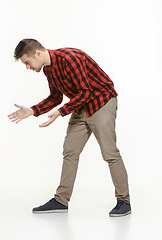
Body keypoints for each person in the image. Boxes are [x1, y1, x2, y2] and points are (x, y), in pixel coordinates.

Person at [8, 39, 131, 217]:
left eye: (27, 62)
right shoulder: (49, 69)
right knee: (70, 151)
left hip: (102, 102)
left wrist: (61, 112)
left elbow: (86, 91)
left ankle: (124, 201)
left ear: (38, 53)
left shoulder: (70, 58)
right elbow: (56, 97)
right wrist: (33, 110)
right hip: (81, 106)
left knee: (109, 153)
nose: (28, 67)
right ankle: (61, 200)